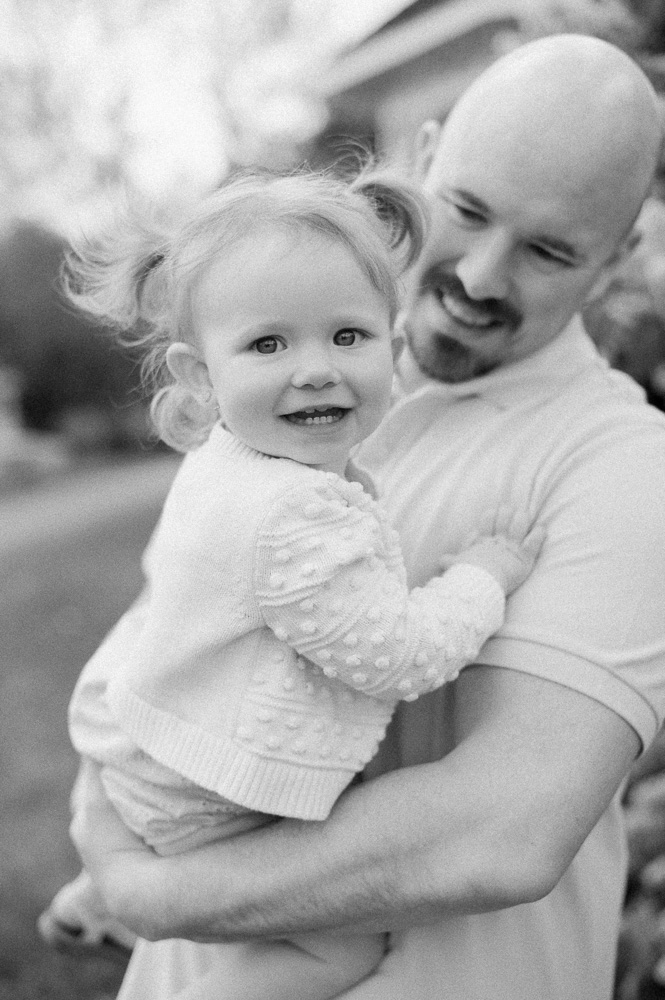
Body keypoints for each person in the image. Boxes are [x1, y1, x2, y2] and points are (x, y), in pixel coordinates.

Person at [64, 33, 665, 1000]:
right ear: (420, 163)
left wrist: (149, 888)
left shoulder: (624, 462)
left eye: (549, 250)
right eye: (466, 212)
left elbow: (501, 834)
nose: (478, 277)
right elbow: (179, 643)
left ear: (618, 256)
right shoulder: (300, 396)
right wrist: (110, 833)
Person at [40, 171, 540, 1000]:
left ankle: (94, 896)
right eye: (268, 345)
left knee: (130, 828)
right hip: (207, 797)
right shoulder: (296, 516)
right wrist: (482, 578)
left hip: (136, 739)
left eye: (347, 336)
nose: (314, 370)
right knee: (341, 949)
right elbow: (398, 656)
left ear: (393, 341)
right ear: (200, 375)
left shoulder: (226, 461)